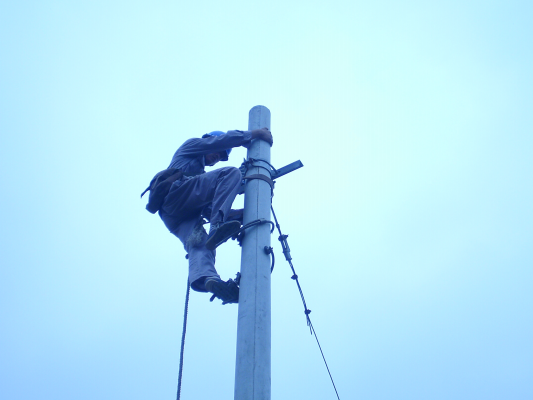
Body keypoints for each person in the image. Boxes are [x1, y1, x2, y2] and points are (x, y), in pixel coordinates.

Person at [158, 128, 273, 303]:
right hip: (175, 194)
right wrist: (255, 134)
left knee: (200, 244)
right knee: (230, 173)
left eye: (220, 157)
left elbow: (209, 210)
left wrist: (242, 214)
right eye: (217, 153)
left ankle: (207, 279)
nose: (216, 157)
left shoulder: (199, 179)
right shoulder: (191, 146)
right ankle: (217, 226)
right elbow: (220, 141)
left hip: (175, 215)